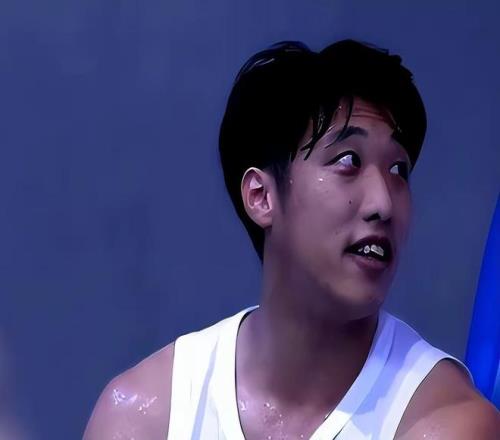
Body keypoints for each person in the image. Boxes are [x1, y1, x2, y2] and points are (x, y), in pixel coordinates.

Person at [83, 39, 500, 439]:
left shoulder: (447, 423)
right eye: (349, 161)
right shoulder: (145, 415)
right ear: (261, 197)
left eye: (398, 171)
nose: (383, 203)